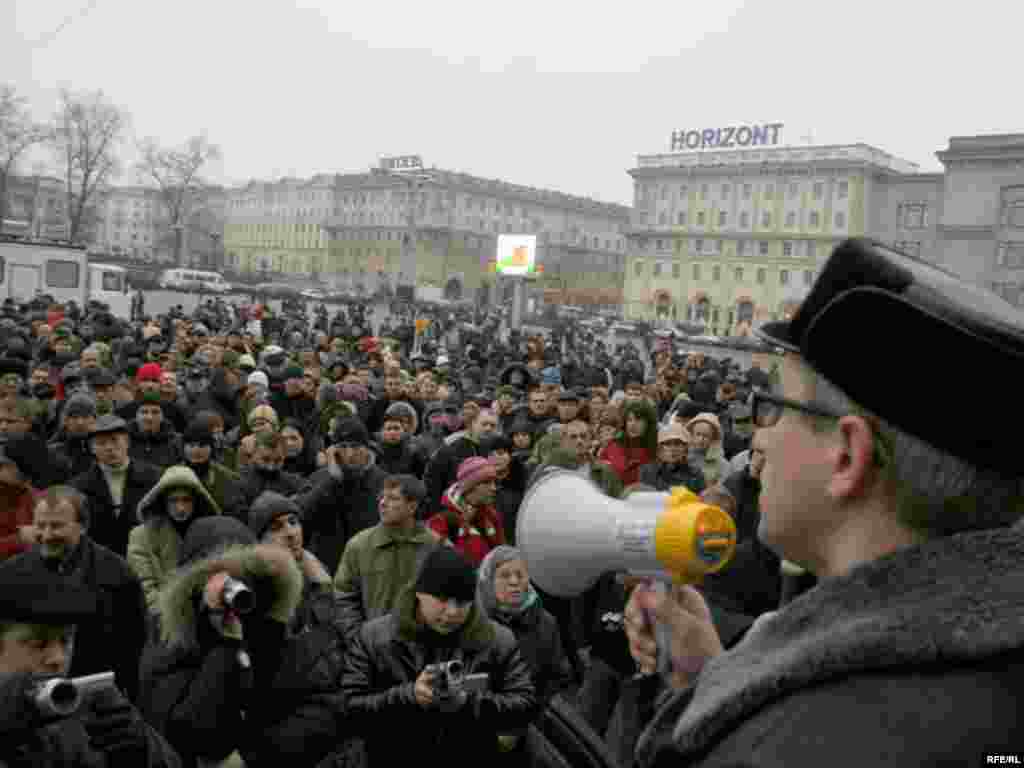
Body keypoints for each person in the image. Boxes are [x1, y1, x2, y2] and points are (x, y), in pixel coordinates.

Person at [624, 239, 1024, 767]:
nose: (760, 438)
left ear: (847, 456)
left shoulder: (784, 747)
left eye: (774, 408)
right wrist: (709, 682)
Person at [138, 516, 338, 768]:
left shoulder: (269, 628)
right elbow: (189, 730)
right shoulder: (171, 643)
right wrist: (225, 644)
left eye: (245, 576)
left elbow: (322, 708)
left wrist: (250, 756)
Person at [341, 545, 538, 768]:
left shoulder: (498, 640)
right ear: (419, 592)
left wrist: (468, 702)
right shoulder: (374, 638)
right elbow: (349, 709)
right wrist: (409, 696)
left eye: (461, 602)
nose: (452, 612)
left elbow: (525, 705)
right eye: (442, 599)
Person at [0, 567, 181, 767]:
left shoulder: (83, 715)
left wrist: (143, 750)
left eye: (66, 641)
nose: (59, 658)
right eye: (39, 644)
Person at [0, 485, 148, 703]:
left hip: (95, 697)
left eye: (57, 526)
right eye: (40, 526)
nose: (47, 535)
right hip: (26, 699)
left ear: (83, 526)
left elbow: (133, 646)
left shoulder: (116, 574)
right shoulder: (10, 575)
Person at [334, 474, 440, 646]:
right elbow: (343, 595)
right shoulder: (359, 546)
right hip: (372, 647)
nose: (383, 503)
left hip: (423, 646)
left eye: (393, 498)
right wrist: (357, 637)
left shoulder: (436, 547)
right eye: (382, 497)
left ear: (412, 507)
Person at [476, 546, 574, 706]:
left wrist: (533, 704)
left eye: (520, 575)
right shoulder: (473, 621)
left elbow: (559, 676)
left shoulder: (545, 622)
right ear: (488, 581)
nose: (514, 582)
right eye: (505, 575)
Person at [127, 465, 222, 618]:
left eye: (186, 500)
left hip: (206, 618)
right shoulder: (142, 536)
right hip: (163, 620)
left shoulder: (211, 534)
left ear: (197, 501)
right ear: (162, 501)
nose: (180, 508)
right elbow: (144, 587)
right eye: (173, 500)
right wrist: (173, 618)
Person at [70, 415, 161, 558]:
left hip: (145, 557)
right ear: (92, 448)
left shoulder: (154, 477)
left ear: (127, 442)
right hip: (98, 561)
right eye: (101, 443)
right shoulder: (78, 486)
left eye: (114, 440)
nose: (109, 448)